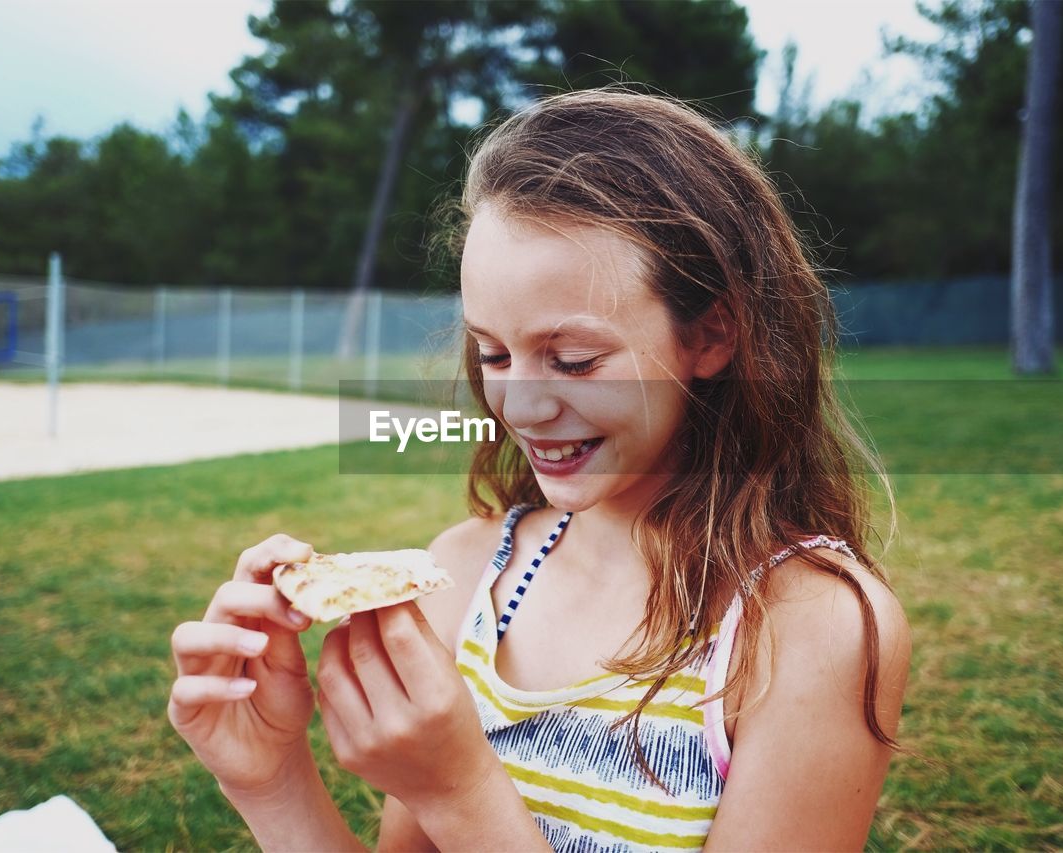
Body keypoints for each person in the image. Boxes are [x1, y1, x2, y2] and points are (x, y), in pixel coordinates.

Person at [167, 88, 912, 852]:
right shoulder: (463, 573)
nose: (519, 404)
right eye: (494, 352)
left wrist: (460, 792)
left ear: (712, 333)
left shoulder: (811, 628)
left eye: (574, 359)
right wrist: (270, 781)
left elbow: (461, 801)